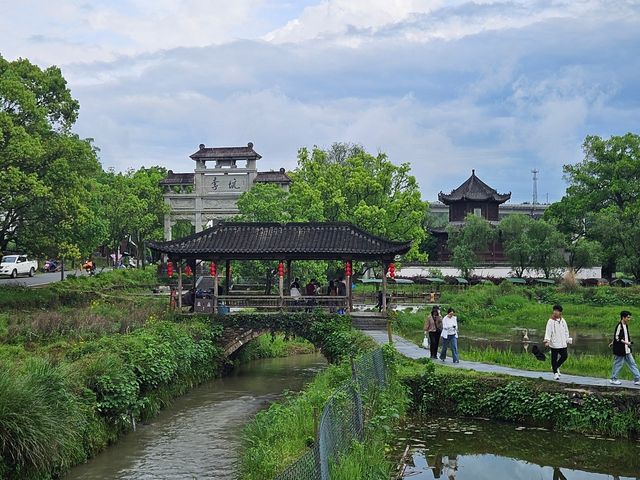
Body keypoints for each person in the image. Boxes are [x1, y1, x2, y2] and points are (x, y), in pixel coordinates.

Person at [609, 310, 640, 385]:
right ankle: (613, 379)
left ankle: (637, 379)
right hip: (620, 349)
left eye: (629, 317)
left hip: (627, 349)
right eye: (628, 317)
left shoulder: (625, 325)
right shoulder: (619, 326)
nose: (629, 319)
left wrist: (612, 343)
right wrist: (627, 343)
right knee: (618, 364)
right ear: (623, 317)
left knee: (632, 364)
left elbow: (622, 337)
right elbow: (617, 338)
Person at [543, 304, 572, 380]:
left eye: (557, 311)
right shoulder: (551, 321)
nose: (555, 312)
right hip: (554, 343)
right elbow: (548, 331)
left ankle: (556, 366)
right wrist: (547, 340)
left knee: (564, 356)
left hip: (562, 343)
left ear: (560, 312)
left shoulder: (563, 321)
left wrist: (567, 339)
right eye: (554, 310)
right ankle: (555, 373)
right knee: (554, 358)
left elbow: (566, 331)